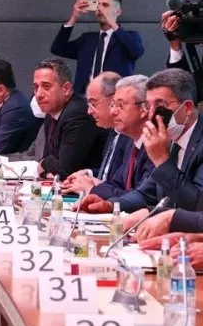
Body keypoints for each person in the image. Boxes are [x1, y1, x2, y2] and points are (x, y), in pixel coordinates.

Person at [80, 69, 203, 218]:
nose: (151, 114)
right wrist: (111, 205)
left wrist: (162, 161)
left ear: (187, 108)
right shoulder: (169, 138)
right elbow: (147, 194)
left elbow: (198, 205)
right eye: (149, 106)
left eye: (160, 105)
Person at [50, 0, 143, 95]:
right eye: (98, 5)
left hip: (114, 97)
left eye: (105, 5)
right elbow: (58, 48)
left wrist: (113, 24)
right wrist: (73, 17)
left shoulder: (130, 36)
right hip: (84, 97)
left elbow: (136, 51)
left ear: (118, 12)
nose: (100, 9)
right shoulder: (87, 39)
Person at [28, 57, 104, 178]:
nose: (38, 94)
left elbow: (64, 171)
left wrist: (45, 164)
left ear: (66, 89)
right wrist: (47, 166)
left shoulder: (77, 114)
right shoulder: (51, 112)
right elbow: (48, 160)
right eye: (36, 87)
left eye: (46, 86)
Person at [85, 75, 154, 199]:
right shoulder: (131, 142)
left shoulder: (155, 146)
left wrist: (92, 189)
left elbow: (143, 197)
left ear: (144, 109)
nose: (113, 112)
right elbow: (117, 184)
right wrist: (91, 183)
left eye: (121, 105)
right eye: (113, 105)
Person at [62, 72, 130, 194]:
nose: (89, 111)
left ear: (113, 99)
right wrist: (88, 174)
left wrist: (92, 188)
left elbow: (124, 187)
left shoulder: (130, 136)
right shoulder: (112, 132)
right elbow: (108, 175)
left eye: (93, 104)